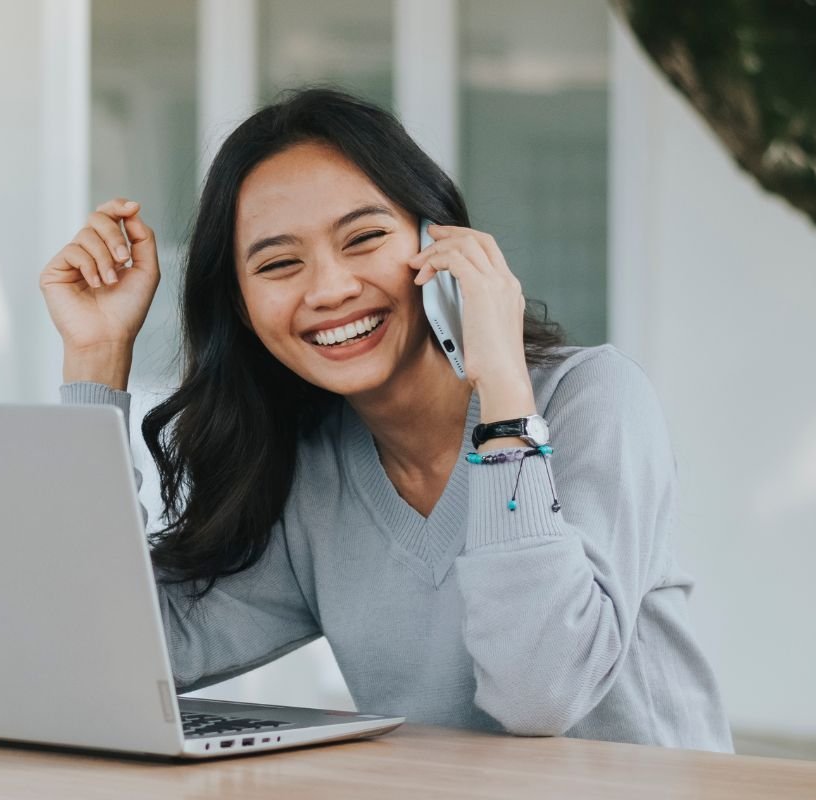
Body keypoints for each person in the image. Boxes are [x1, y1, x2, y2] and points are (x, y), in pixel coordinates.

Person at [38, 87, 732, 751]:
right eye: (280, 263)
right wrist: (97, 359)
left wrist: (503, 396)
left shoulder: (593, 400)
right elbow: (110, 652)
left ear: (439, 242)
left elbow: (540, 693)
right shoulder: (313, 472)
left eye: (364, 238)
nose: (332, 289)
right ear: (243, 309)